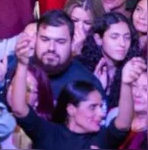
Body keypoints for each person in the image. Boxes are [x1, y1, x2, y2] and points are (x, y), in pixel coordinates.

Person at [11, 28, 144, 150]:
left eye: (100, 107)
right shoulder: (48, 133)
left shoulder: (101, 139)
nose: (101, 114)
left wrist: (126, 83)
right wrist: (22, 64)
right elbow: (19, 109)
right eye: (92, 107)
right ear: (71, 109)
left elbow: (123, 124)